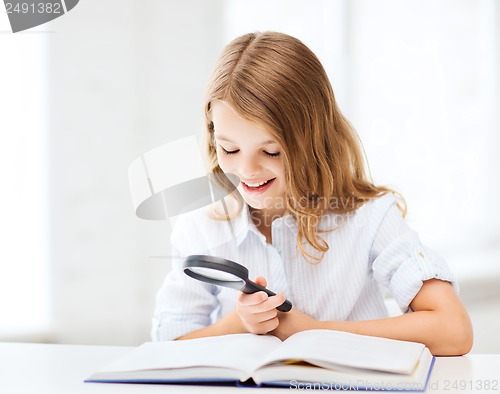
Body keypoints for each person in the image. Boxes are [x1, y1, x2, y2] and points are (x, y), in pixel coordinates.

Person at [152, 31, 473, 356]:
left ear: (313, 141)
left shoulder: (369, 216)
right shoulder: (201, 222)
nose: (248, 171)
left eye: (272, 152)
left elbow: (453, 330)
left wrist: (313, 332)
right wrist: (240, 322)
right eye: (230, 149)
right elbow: (166, 347)